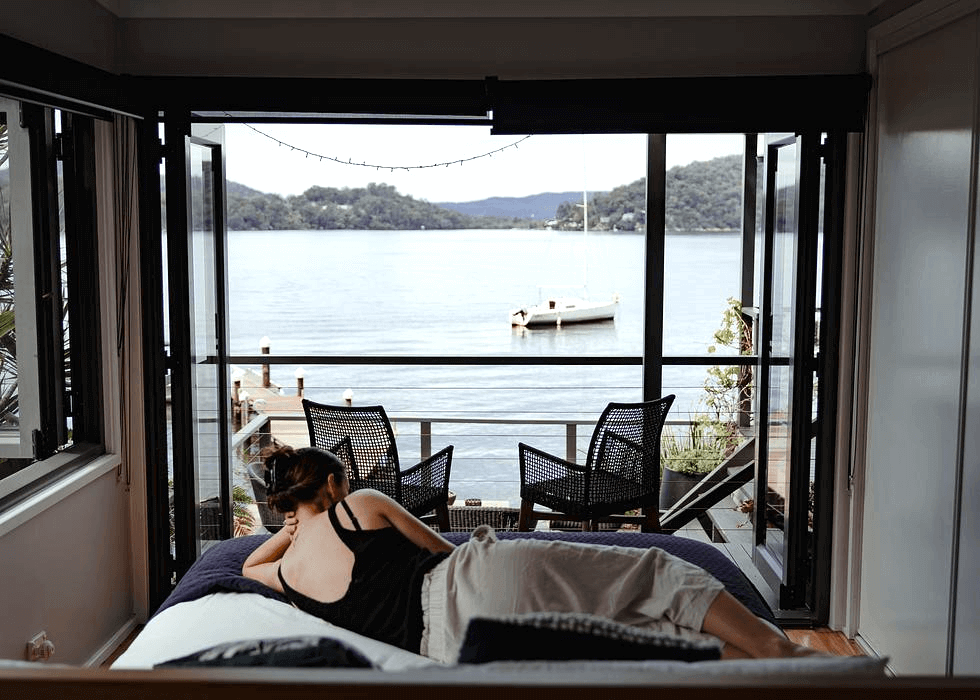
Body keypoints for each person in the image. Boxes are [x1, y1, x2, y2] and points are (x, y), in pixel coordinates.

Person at [242, 445, 821, 663]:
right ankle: (780, 651)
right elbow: (444, 549)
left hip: (454, 647)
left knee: (646, 640)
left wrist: (293, 530)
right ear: (332, 486)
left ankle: (762, 668)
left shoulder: (286, 573)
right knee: (654, 573)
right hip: (471, 582)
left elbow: (247, 565)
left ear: (288, 506)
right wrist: (316, 514)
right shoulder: (360, 506)